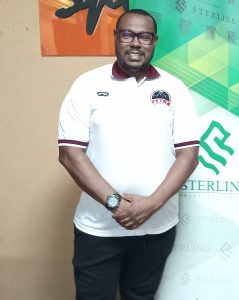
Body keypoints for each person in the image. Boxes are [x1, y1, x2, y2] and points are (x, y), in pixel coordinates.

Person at [57, 9, 199, 299]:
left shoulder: (174, 88)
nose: (136, 42)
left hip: (156, 228)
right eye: (127, 34)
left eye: (144, 36)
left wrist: (151, 205)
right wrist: (116, 204)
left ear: (154, 41)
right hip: (99, 229)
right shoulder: (87, 84)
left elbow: (189, 155)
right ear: (116, 38)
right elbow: (70, 154)